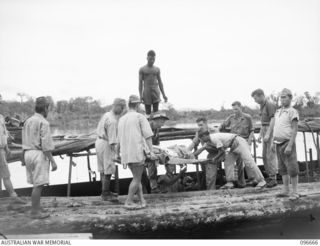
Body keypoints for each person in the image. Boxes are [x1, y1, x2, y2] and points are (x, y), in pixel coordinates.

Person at [117, 95, 156, 210]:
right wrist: (152, 152)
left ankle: (142, 201)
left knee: (136, 177)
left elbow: (118, 138)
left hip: (126, 153)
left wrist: (116, 152)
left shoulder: (122, 119)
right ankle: (128, 201)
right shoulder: (140, 117)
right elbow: (148, 136)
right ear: (138, 105)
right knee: (137, 179)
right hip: (136, 152)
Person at [22, 97, 57, 219]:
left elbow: (23, 141)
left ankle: (36, 207)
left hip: (27, 153)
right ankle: (35, 212)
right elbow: (46, 146)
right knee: (39, 185)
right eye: (48, 109)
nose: (48, 111)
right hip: (37, 154)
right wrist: (53, 161)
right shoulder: (44, 122)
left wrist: (23, 158)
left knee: (35, 183)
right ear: (45, 108)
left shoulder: (28, 121)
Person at [196, 129, 266, 189]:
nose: (202, 140)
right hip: (233, 146)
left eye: (201, 139)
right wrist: (192, 155)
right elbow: (200, 149)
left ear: (205, 136)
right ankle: (230, 182)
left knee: (249, 162)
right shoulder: (209, 141)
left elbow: (222, 151)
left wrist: (215, 158)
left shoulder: (213, 138)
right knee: (228, 161)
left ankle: (261, 180)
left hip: (239, 142)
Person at [270, 89, 300, 199]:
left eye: (284, 97)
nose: (282, 99)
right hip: (277, 143)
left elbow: (294, 129)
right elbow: (276, 128)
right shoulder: (278, 111)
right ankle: (286, 190)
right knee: (282, 169)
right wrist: (273, 143)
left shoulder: (293, 111)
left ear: (290, 98)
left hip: (287, 142)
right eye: (281, 97)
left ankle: (295, 192)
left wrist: (290, 145)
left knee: (292, 168)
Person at [95, 98, 126, 202]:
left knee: (103, 169)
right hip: (106, 144)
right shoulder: (112, 121)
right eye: (121, 107)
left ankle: (105, 191)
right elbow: (113, 142)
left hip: (99, 142)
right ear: (116, 106)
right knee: (108, 169)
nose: (122, 110)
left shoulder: (106, 114)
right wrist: (118, 155)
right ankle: (105, 193)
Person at [220, 101, 255, 188]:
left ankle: (251, 180)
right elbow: (222, 126)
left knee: (245, 161)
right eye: (233, 109)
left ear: (240, 107)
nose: (234, 111)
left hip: (244, 142)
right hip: (234, 142)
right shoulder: (231, 118)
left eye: (236, 109)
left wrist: (249, 142)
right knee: (229, 160)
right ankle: (231, 182)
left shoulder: (247, 117)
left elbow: (252, 130)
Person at [0, 95, 26, 204]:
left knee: (4, 174)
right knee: (6, 175)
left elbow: (3, 133)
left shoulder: (1, 117)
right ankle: (13, 197)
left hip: (2, 149)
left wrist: (6, 148)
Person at [251, 89, 278, 188]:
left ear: (261, 95)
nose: (255, 100)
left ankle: (273, 178)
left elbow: (273, 119)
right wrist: (260, 135)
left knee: (271, 154)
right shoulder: (261, 106)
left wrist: (268, 134)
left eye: (255, 98)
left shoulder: (270, 104)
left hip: (271, 129)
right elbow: (263, 122)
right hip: (265, 129)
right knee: (265, 155)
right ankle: (270, 176)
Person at [187, 117, 219, 190]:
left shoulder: (214, 130)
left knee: (210, 164)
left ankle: (212, 189)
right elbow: (194, 142)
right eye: (198, 125)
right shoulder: (199, 132)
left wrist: (194, 154)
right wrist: (187, 152)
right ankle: (209, 188)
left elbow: (221, 145)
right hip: (210, 152)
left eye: (201, 125)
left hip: (219, 151)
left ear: (206, 123)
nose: (200, 127)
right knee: (206, 167)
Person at [144, 111, 169, 193]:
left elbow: (157, 143)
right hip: (140, 151)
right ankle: (153, 187)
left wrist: (160, 150)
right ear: (156, 120)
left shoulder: (156, 130)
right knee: (151, 162)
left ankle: (153, 187)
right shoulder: (145, 127)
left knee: (161, 157)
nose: (163, 124)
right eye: (162, 121)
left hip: (150, 151)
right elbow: (144, 143)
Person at [139, 50, 168, 117]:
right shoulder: (142, 69)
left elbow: (160, 82)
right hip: (147, 91)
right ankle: (148, 126)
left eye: (153, 59)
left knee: (156, 112)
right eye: (150, 59)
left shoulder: (157, 69)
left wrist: (164, 94)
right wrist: (140, 95)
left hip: (155, 90)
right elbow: (140, 83)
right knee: (148, 112)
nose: (152, 60)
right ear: (147, 58)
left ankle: (156, 126)